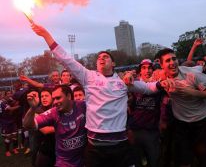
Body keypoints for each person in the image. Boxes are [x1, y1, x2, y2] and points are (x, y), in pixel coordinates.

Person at [30, 22, 160, 167]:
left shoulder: (124, 82)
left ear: (113, 63)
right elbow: (65, 58)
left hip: (120, 145)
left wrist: (165, 83)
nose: (101, 58)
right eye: (99, 58)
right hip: (94, 148)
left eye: (105, 57)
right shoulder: (88, 76)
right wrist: (46, 35)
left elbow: (149, 88)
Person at [157, 48, 206, 167]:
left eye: (174, 59)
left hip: (201, 123)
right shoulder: (160, 78)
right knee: (184, 162)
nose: (172, 62)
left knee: (205, 161)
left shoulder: (192, 75)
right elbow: (143, 84)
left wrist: (193, 92)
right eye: (167, 60)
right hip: (181, 125)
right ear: (161, 65)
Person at [23, 85, 87, 167]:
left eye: (58, 98)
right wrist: (32, 108)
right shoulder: (53, 113)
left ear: (69, 96)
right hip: (64, 163)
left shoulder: (82, 106)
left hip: (83, 160)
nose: (55, 102)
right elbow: (27, 125)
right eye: (54, 99)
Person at [127, 59, 164, 167]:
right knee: (137, 162)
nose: (147, 70)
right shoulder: (134, 84)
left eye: (149, 68)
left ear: (153, 70)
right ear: (140, 71)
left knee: (154, 161)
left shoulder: (159, 84)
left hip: (152, 131)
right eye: (144, 68)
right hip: (135, 131)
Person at [28, 88, 56, 167]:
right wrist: (64, 126)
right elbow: (45, 130)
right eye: (42, 96)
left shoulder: (56, 109)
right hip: (44, 150)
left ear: (52, 97)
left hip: (57, 149)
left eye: (46, 96)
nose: (44, 98)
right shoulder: (37, 111)